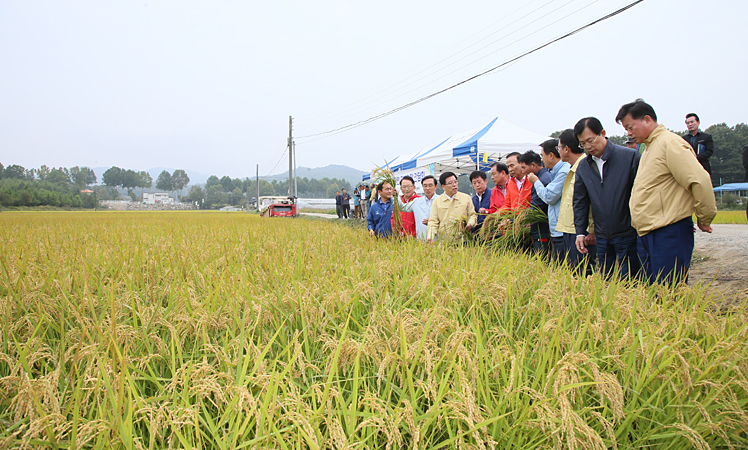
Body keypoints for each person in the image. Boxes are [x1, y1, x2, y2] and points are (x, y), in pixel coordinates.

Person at [616, 99, 717, 285]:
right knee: (653, 293)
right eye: (626, 129)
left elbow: (699, 180)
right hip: (648, 231)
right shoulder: (649, 148)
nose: (629, 133)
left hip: (668, 231)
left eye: (630, 127)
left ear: (647, 119)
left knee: (669, 292)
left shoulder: (670, 143)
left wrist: (705, 217)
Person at [573, 117, 641, 280]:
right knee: (604, 279)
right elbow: (580, 201)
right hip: (602, 235)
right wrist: (580, 232)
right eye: (583, 144)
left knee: (631, 279)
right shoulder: (584, 166)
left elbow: (642, 194)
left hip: (629, 232)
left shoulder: (629, 157)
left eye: (590, 140)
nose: (588, 147)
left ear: (602, 133)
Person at [555, 129, 596, 271]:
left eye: (559, 147)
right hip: (569, 229)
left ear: (566, 149)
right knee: (572, 271)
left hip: (580, 232)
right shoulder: (573, 168)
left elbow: (592, 201)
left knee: (582, 272)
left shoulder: (586, 167)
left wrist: (591, 229)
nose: (558, 151)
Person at [527, 139, 570, 259]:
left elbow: (549, 196)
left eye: (542, 155)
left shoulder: (563, 172)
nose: (542, 159)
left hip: (563, 230)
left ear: (551, 155)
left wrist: (536, 182)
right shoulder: (554, 172)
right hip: (558, 229)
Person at [426, 172, 477, 243]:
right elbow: (433, 222)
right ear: (443, 186)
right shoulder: (437, 202)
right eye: (450, 183)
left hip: (463, 240)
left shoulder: (466, 198)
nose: (454, 185)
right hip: (444, 242)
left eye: (455, 181)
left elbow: (472, 215)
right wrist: (430, 236)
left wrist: (470, 224)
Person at [518, 149, 552, 256]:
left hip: (542, 230)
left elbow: (538, 206)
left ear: (533, 165)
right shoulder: (540, 177)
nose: (522, 171)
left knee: (542, 261)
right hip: (538, 228)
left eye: (524, 167)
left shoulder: (542, 179)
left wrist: (518, 219)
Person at [412, 175, 439, 241]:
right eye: (425, 186)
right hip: (421, 241)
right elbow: (402, 207)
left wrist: (433, 221)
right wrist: (396, 196)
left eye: (430, 185)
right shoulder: (416, 201)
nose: (427, 188)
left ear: (436, 186)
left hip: (438, 240)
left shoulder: (441, 200)